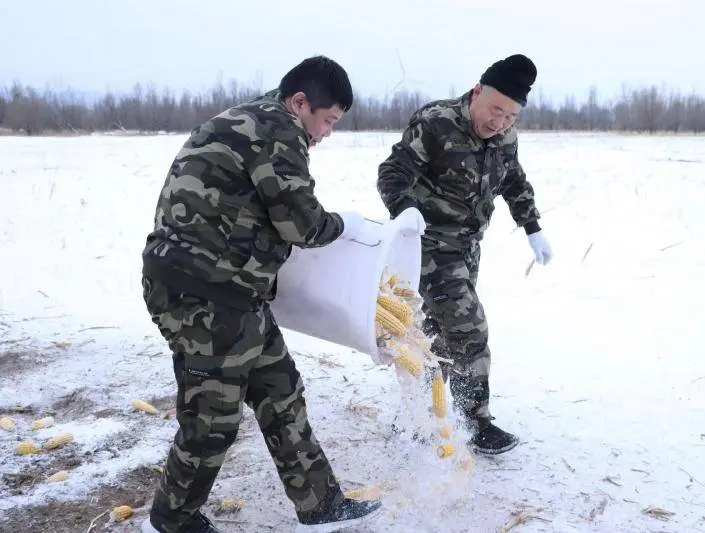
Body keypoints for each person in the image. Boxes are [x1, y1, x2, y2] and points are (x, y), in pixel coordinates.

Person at [139, 56, 382, 533]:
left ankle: (321, 506)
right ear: (299, 103)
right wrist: (344, 225)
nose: (328, 132)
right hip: (202, 293)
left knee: (280, 390)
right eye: (328, 119)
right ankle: (171, 521)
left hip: (231, 291)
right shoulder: (278, 129)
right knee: (212, 418)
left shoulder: (253, 118)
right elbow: (302, 223)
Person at [376, 54, 554, 456]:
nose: (500, 122)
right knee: (469, 330)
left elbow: (514, 181)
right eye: (495, 110)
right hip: (428, 245)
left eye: (511, 116)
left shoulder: (506, 137)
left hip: (468, 248)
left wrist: (533, 227)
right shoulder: (436, 121)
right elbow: (393, 170)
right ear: (477, 92)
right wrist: (404, 209)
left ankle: (420, 414)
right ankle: (477, 424)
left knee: (435, 335)